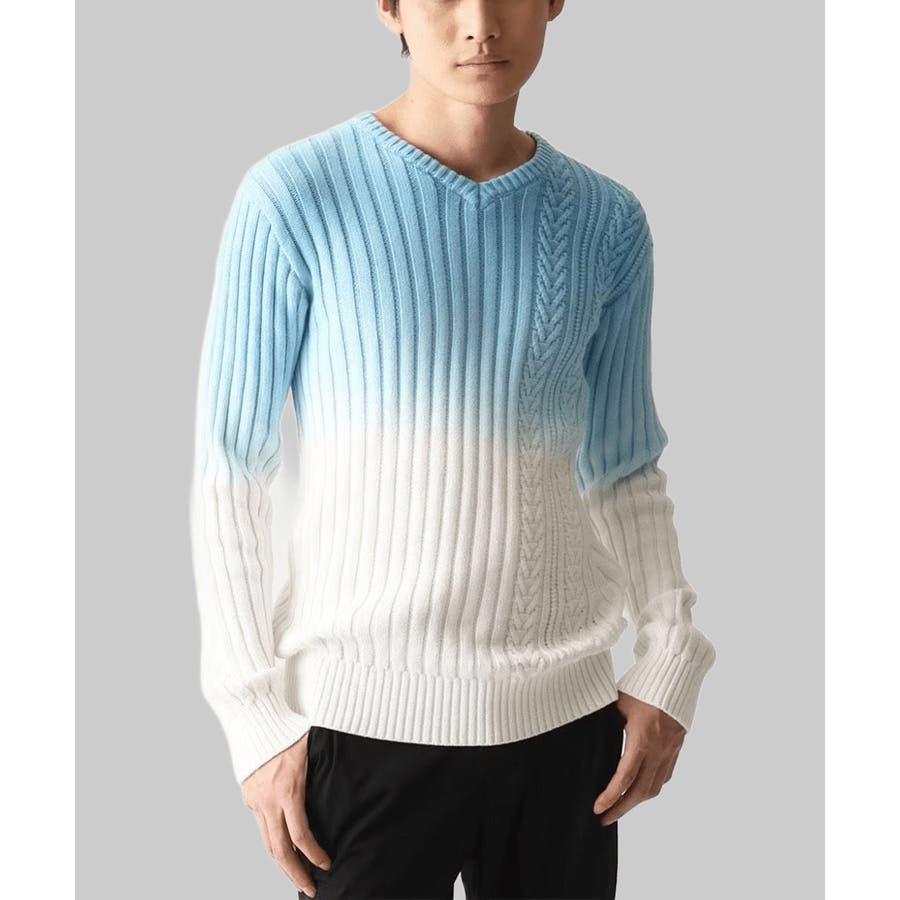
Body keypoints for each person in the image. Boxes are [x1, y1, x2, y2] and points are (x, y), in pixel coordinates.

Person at [188, 1, 717, 897]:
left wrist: (671, 656)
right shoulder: (295, 196)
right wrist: (254, 720)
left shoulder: (608, 221)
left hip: (566, 737)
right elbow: (230, 472)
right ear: (389, 6)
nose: (479, 23)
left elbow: (625, 464)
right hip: (362, 737)